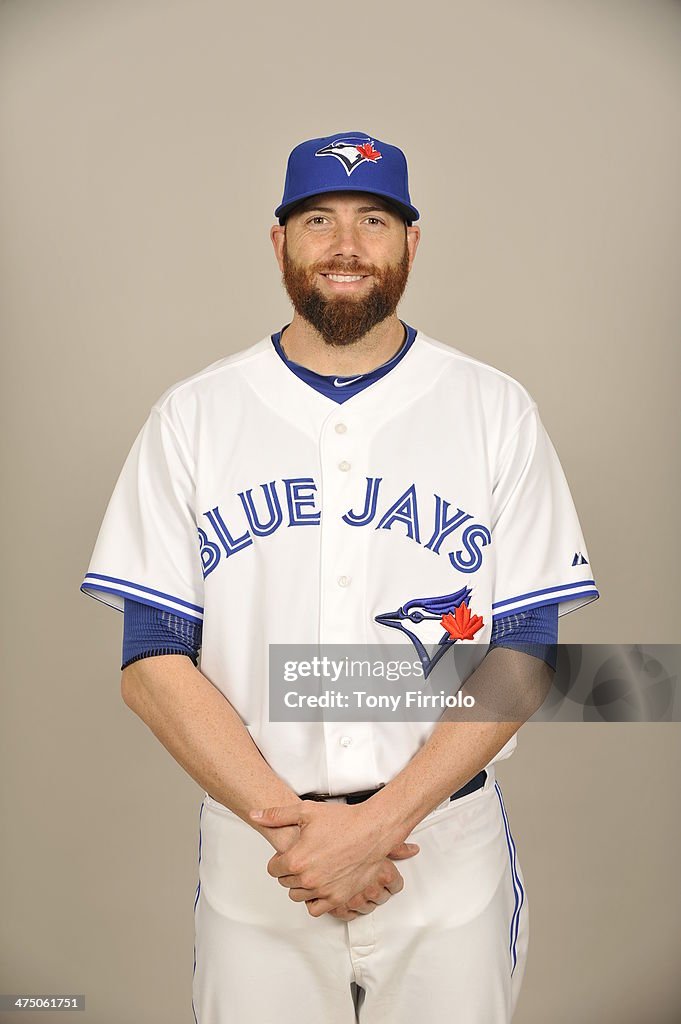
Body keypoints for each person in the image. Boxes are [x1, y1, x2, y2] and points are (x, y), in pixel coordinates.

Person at [81, 131, 599, 1023]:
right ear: (279, 242)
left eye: (374, 220)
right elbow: (153, 659)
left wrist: (376, 826)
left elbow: (526, 650)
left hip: (441, 846)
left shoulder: (492, 409)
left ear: (411, 244)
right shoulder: (194, 416)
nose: (347, 244)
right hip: (261, 857)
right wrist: (299, 833)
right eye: (318, 219)